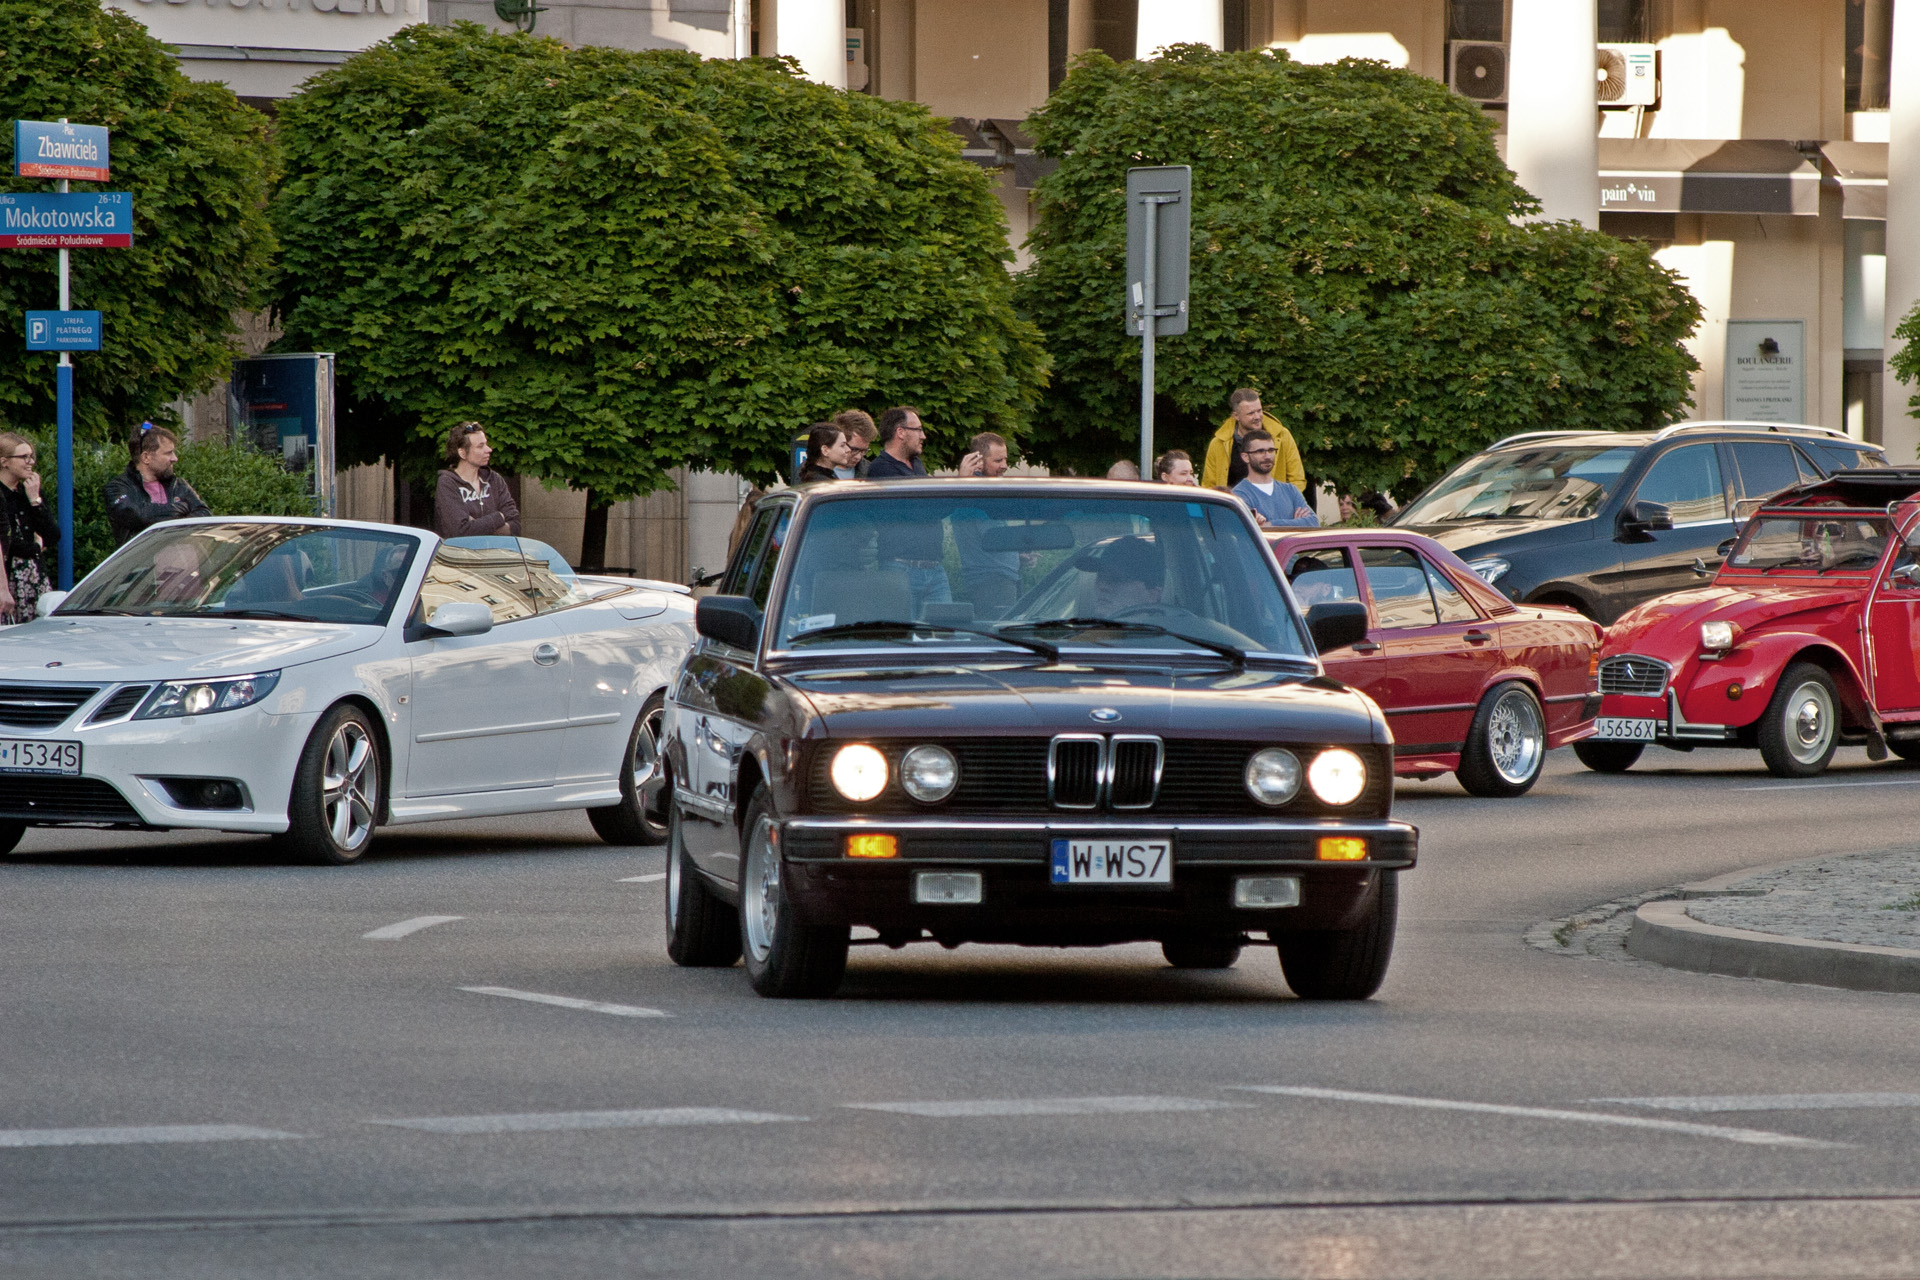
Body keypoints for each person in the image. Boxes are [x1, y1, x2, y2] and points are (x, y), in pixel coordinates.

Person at [106, 424, 211, 547]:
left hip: (187, 559)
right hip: (145, 559)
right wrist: (180, 508)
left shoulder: (179, 485)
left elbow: (204, 514)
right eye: (168, 453)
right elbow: (137, 515)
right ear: (146, 457)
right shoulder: (118, 488)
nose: (175, 458)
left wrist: (168, 518)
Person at [952, 431, 1019, 616]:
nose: (1004, 466)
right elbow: (995, 538)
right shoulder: (975, 494)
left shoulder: (984, 490)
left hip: (999, 576)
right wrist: (1025, 541)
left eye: (1005, 459)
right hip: (991, 580)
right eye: (998, 461)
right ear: (978, 462)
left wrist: (1019, 554)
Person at [0, 433, 57, 623]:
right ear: (4, 462)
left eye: (31, 456)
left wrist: (35, 501)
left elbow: (52, 535)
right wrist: (35, 547)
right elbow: (8, 541)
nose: (30, 462)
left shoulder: (29, 490)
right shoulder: (3, 496)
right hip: (7, 574)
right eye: (24, 457)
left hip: (33, 576)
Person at [1202, 388, 1305, 491]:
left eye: (1259, 411)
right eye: (1251, 413)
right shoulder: (1218, 444)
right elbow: (1209, 487)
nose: (1257, 417)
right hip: (1234, 500)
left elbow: (1297, 480)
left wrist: (1282, 499)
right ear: (1236, 416)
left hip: (1273, 501)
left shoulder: (1282, 436)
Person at [434, 421, 521, 539]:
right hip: (462, 551)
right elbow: (460, 532)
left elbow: (516, 526)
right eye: (480, 446)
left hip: (495, 550)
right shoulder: (448, 483)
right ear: (462, 453)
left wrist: (476, 525)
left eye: (486, 444)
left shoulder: (494, 480)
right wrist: (498, 518)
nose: (489, 449)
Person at [1232, 430, 1319, 528]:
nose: (1267, 456)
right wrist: (1296, 523)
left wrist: (1270, 524)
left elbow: (1313, 522)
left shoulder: (1290, 490)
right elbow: (1247, 529)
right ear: (1245, 457)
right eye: (1260, 451)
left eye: (1271, 450)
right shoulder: (1239, 495)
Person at [866, 406, 930, 479]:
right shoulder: (881, 469)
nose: (923, 436)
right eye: (918, 430)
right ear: (901, 433)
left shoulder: (916, 462)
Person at [830, 410, 877, 479]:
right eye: (854, 450)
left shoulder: (871, 471)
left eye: (863, 451)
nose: (858, 457)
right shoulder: (815, 471)